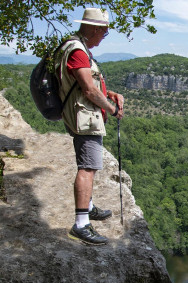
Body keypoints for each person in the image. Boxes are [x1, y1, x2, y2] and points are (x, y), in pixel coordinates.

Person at [56, 8, 124, 245]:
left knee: (89, 165)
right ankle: (81, 224)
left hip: (82, 115)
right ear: (95, 29)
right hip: (84, 119)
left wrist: (111, 93)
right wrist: (112, 108)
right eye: (103, 34)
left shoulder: (76, 47)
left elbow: (89, 85)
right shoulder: (77, 51)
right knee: (88, 167)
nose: (103, 38)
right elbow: (89, 90)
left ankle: (90, 206)